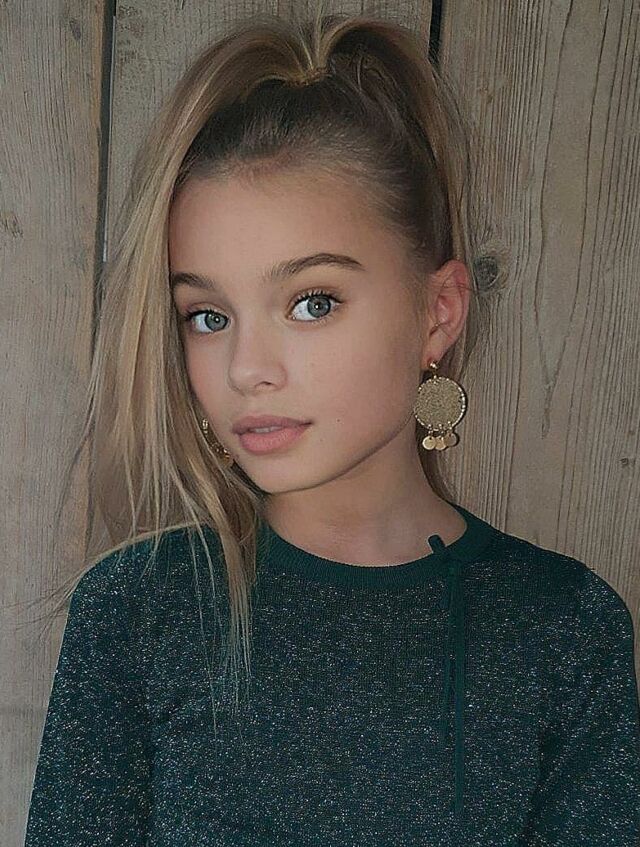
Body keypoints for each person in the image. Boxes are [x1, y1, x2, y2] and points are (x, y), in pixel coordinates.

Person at [24, 7, 640, 846]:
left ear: (438, 310)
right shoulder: (136, 611)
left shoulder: (565, 630)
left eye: (312, 302)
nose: (248, 367)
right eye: (207, 315)